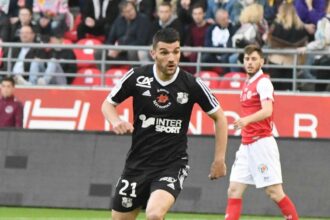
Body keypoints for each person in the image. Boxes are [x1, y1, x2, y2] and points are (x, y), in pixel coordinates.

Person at [101, 28, 228, 220]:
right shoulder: (137, 77)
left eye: (176, 51)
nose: (171, 58)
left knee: (154, 214)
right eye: (164, 52)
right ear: (153, 53)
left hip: (171, 164)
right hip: (137, 165)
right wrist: (115, 120)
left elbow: (220, 117)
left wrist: (219, 159)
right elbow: (108, 104)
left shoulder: (191, 84)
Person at [224, 44, 299, 220]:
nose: (249, 63)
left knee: (274, 192)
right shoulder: (247, 82)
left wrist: (246, 120)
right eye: (247, 59)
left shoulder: (263, 82)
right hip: (246, 144)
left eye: (254, 59)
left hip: (261, 143)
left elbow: (267, 111)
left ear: (262, 61)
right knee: (233, 190)